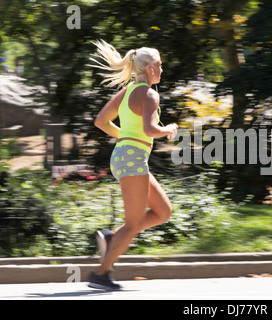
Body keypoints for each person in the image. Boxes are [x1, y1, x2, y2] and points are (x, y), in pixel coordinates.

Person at [88, 40, 178, 290]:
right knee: (134, 223)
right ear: (149, 68)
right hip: (132, 160)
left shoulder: (126, 92)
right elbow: (150, 129)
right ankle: (100, 274)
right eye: (159, 65)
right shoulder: (149, 94)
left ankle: (111, 239)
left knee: (162, 212)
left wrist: (126, 137)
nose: (162, 70)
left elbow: (101, 121)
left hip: (125, 158)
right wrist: (168, 129)